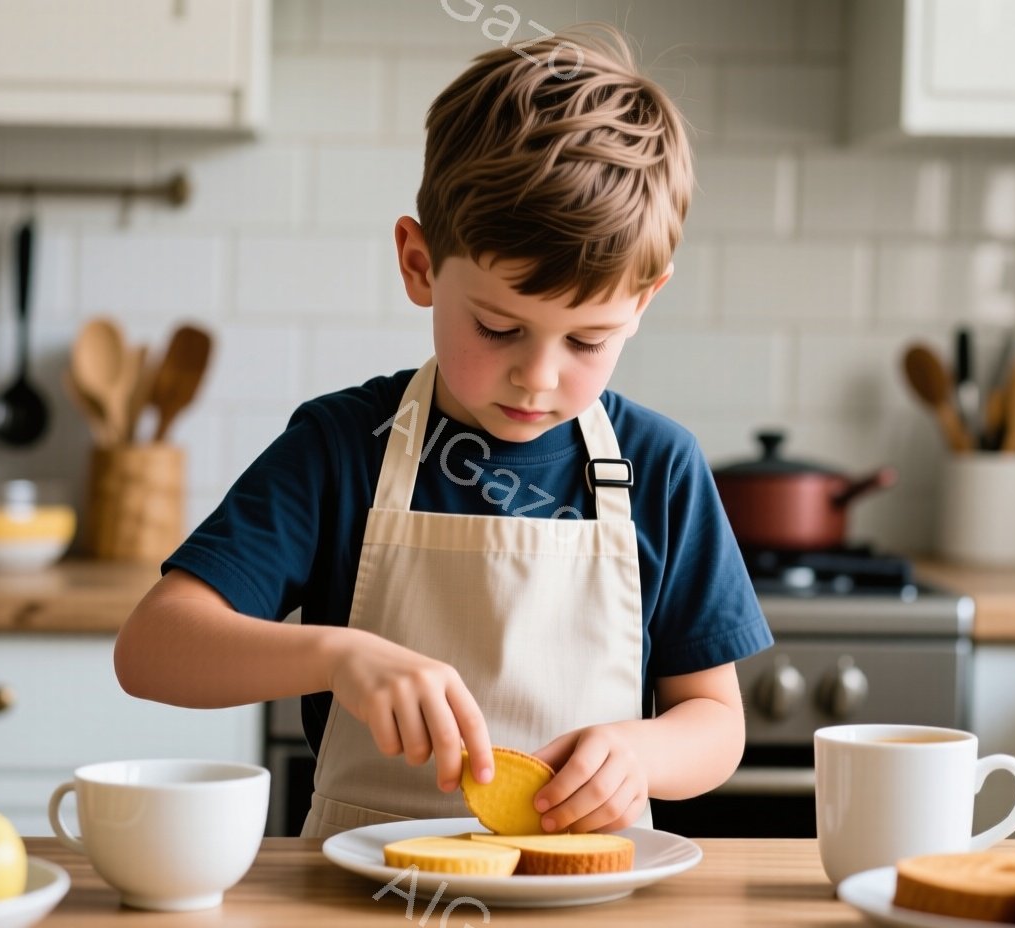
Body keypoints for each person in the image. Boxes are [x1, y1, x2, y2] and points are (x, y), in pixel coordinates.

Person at [114, 25, 773, 840]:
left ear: (644, 301)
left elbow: (715, 722)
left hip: (587, 887)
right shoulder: (342, 447)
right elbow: (150, 649)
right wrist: (336, 656)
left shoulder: (660, 467)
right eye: (499, 328)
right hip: (364, 897)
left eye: (587, 341)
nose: (539, 374)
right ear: (420, 265)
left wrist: (642, 755)